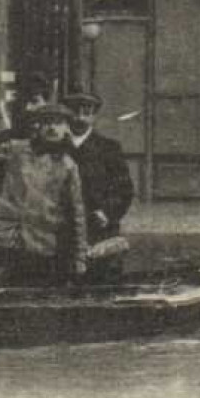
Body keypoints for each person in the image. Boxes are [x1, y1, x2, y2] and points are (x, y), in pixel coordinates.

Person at [0, 102, 88, 286]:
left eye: (58, 123)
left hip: (44, 244)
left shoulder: (68, 165)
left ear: (66, 128)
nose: (52, 128)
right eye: (47, 122)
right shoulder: (16, 149)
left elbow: (78, 212)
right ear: (38, 126)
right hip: (7, 238)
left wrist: (80, 256)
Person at [62, 90, 135, 280]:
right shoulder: (56, 147)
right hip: (63, 227)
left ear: (94, 116)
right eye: (74, 112)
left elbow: (124, 189)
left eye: (86, 112)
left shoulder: (109, 148)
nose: (80, 118)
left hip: (99, 229)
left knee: (102, 279)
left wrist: (107, 212)